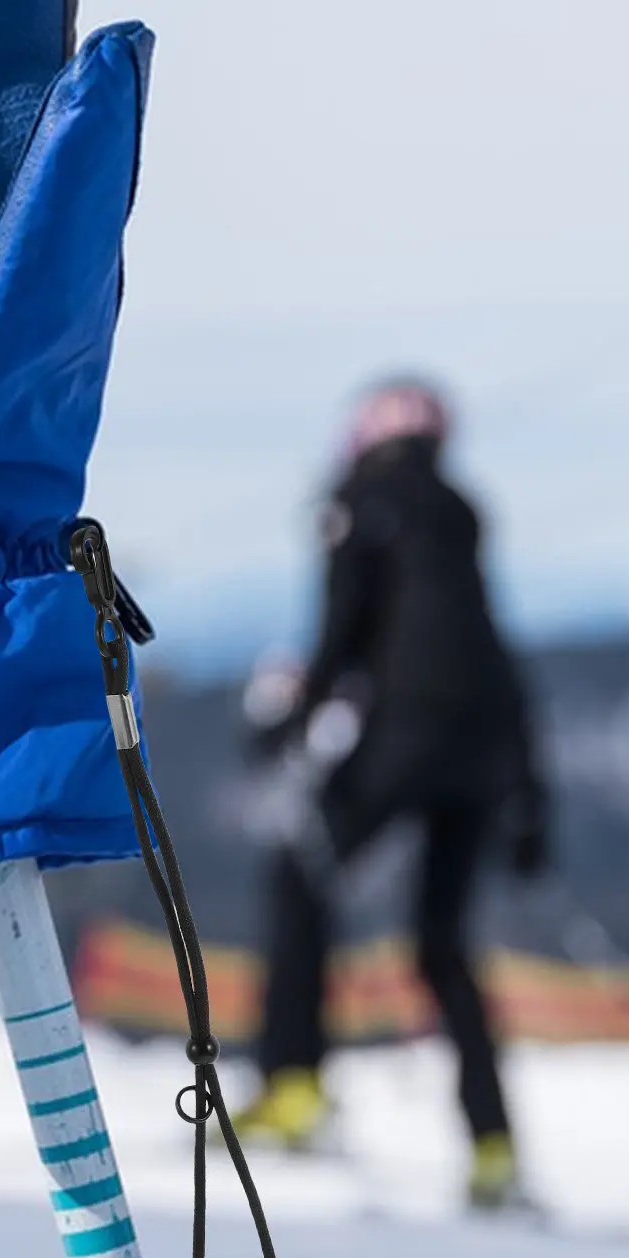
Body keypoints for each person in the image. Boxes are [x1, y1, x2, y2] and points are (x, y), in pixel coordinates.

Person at [237, 378, 551, 1211]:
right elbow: (493, 648)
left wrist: (292, 721)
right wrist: (529, 797)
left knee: (300, 875)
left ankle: (294, 1087)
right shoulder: (458, 513)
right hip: (484, 750)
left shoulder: (361, 502)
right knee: (442, 945)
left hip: (406, 738)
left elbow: (344, 627)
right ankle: (493, 1149)